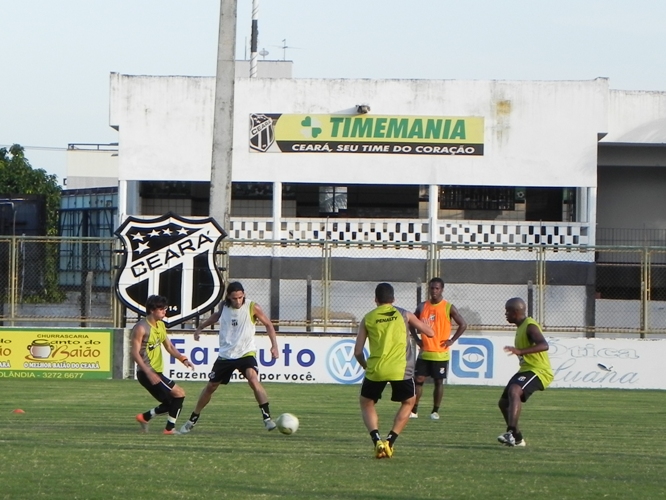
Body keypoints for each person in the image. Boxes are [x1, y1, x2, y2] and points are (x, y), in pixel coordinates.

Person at [179, 281, 280, 434]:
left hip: (246, 352)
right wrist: (200, 327)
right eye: (234, 298)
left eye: (240, 297)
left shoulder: (253, 307)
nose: (238, 301)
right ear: (228, 297)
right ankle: (192, 419)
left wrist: (274, 346)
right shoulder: (223, 306)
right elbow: (216, 316)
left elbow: (268, 325)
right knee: (210, 387)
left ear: (244, 294)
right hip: (226, 355)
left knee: (253, 379)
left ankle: (267, 418)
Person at [354, 282, 435, 459]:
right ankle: (389, 442)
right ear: (393, 299)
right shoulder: (403, 314)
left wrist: (366, 366)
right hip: (401, 369)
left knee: (367, 402)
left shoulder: (368, 318)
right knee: (408, 402)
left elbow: (358, 352)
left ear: (375, 299)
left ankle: (376, 440)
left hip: (376, 369)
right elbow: (429, 332)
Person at [131, 294, 194, 434]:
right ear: (152, 310)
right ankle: (169, 429)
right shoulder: (141, 328)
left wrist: (183, 359)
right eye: (161, 309)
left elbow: (169, 347)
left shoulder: (160, 325)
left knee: (171, 403)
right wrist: (148, 372)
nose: (165, 311)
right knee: (179, 394)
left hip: (156, 372)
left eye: (165, 308)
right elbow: (134, 353)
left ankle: (144, 417)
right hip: (148, 373)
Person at [498, 297, 554, 447]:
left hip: (539, 371)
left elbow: (544, 345)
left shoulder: (530, 326)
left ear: (516, 312)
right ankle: (517, 438)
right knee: (503, 403)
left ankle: (510, 432)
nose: (505, 314)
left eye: (507, 311)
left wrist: (520, 351)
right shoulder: (521, 327)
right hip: (526, 369)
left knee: (515, 390)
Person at [409, 277, 467, 420]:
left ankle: (435, 411)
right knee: (418, 380)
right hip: (425, 352)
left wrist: (452, 340)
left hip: (440, 354)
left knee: (438, 382)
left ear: (442, 290)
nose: (434, 291)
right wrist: (417, 339)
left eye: (437, 288)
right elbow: (411, 322)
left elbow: (463, 324)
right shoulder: (422, 307)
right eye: (432, 288)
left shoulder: (448, 307)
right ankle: (414, 410)